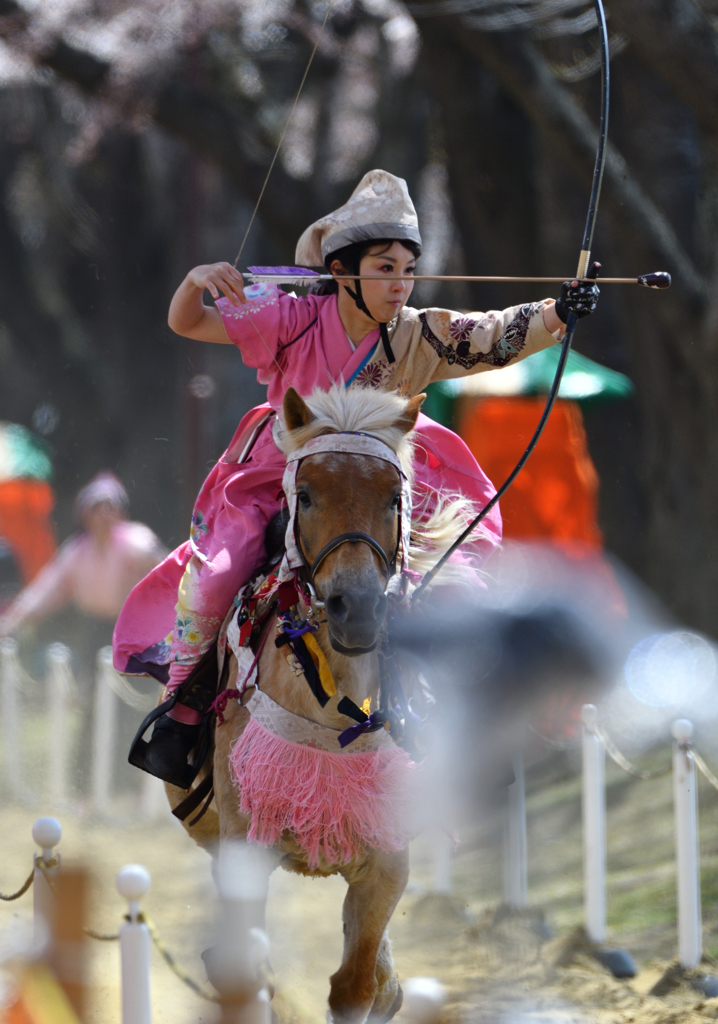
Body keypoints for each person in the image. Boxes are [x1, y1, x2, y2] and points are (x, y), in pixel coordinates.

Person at [113, 169, 599, 786]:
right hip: (285, 470)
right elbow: (190, 322)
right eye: (384, 268)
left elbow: (489, 337)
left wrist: (558, 313)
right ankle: (182, 714)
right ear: (342, 272)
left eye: (407, 269)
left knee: (453, 578)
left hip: (382, 478)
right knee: (217, 578)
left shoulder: (419, 335)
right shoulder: (290, 317)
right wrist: (194, 282)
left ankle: (444, 713)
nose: (400, 284)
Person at [0, 472, 167, 642]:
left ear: (121, 513)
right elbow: (46, 589)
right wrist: (13, 620)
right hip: (92, 628)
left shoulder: (138, 543)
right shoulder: (76, 551)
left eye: (110, 507)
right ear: (85, 514)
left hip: (134, 626)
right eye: (98, 508)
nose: (105, 514)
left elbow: (167, 572)